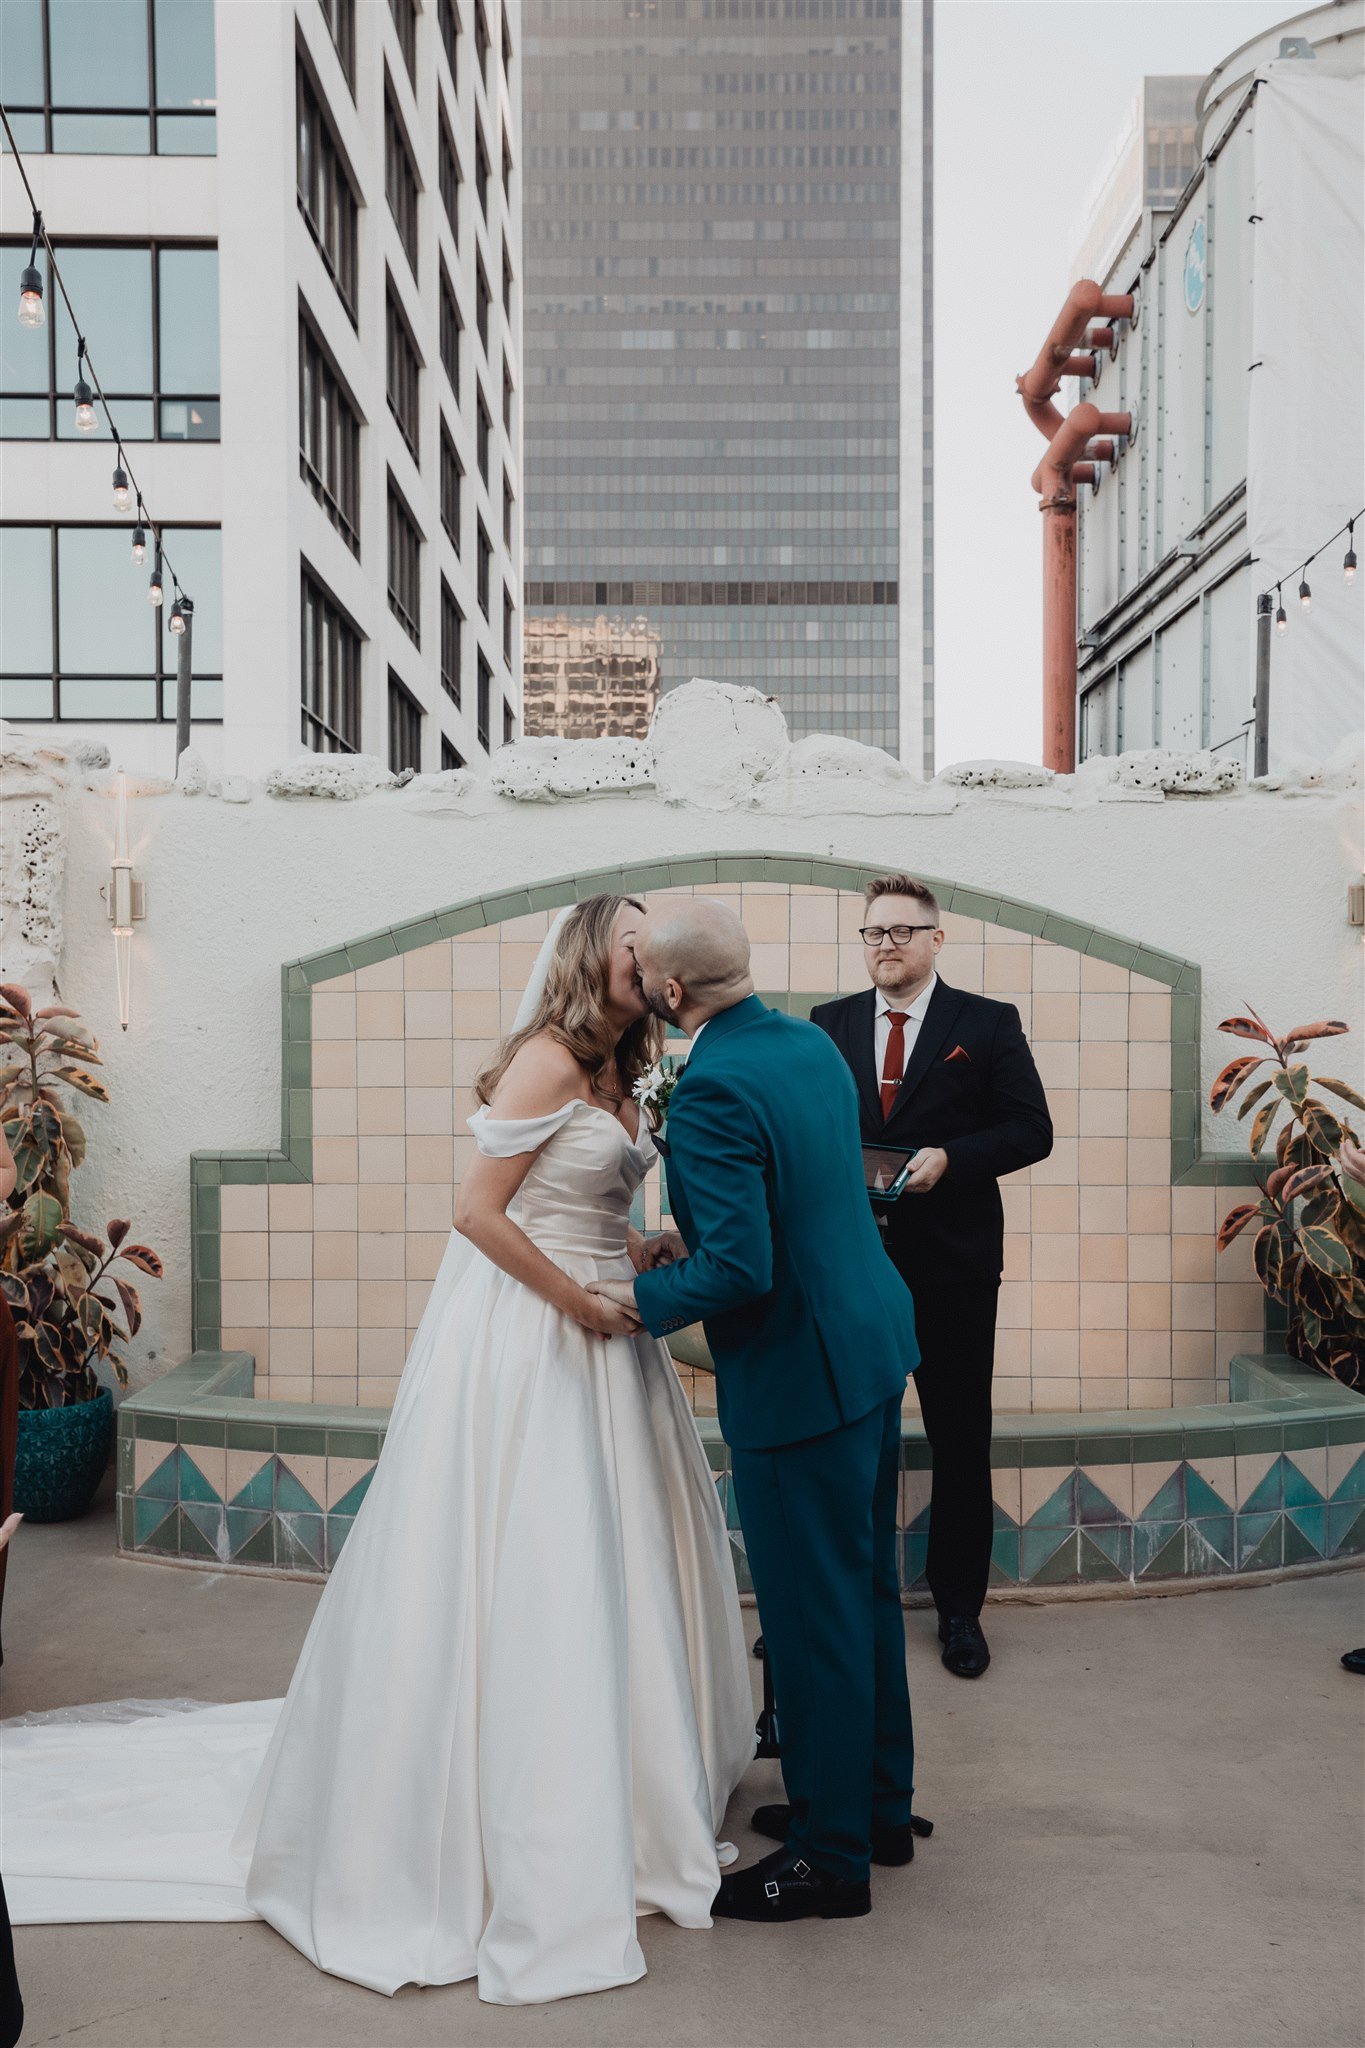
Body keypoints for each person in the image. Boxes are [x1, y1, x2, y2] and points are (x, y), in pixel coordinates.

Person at [2, 896, 755, 2007]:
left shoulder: (626, 1068)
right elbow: (480, 1213)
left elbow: (591, 1197)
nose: (649, 949)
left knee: (611, 1559)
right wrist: (580, 1303)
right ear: (595, 952)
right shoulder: (546, 1059)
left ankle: (629, 1789)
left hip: (609, 1325)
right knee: (534, 1559)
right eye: (631, 934)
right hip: (537, 1333)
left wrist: (636, 1244)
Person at [591, 898, 924, 1925]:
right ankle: (873, 1809)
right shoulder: (811, 1045)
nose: (640, 980)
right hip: (871, 1342)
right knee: (864, 1592)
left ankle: (828, 1861)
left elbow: (741, 1265)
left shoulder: (714, 1087)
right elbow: (805, 1197)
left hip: (799, 1378)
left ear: (675, 993)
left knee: (811, 1614)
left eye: (647, 970)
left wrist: (633, 1303)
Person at [811, 874, 1053, 1680]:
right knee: (849, 1439)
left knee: (957, 1437)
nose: (886, 944)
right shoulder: (828, 1024)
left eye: (902, 931)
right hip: (852, 1264)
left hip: (951, 1267)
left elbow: (1030, 1129)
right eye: (873, 932)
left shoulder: (985, 1024)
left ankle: (959, 1612)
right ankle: (848, 1601)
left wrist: (952, 1159)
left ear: (935, 938)